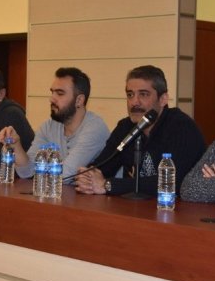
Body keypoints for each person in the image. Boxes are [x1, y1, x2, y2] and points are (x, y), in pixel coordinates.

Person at [75, 65, 206, 195]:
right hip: (133, 205)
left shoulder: (182, 127)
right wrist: (87, 178)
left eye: (143, 94)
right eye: (130, 95)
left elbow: (172, 183)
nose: (134, 102)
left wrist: (108, 185)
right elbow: (101, 167)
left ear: (163, 99)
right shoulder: (125, 127)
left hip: (173, 206)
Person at [0, 67, 108, 183]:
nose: (51, 99)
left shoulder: (95, 128)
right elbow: (27, 172)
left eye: (60, 94)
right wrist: (16, 145)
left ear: (79, 100)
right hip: (60, 193)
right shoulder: (49, 127)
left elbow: (66, 174)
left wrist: (41, 170)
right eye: (52, 92)